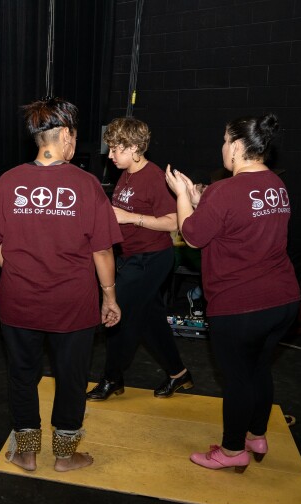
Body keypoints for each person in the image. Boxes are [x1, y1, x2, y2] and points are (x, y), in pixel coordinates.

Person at [0, 97, 122, 472]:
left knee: (22, 376)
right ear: (67, 136)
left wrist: (18, 267)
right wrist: (110, 297)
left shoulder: (9, 181)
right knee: (71, 380)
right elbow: (102, 252)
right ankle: (64, 455)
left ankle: (26, 453)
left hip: (19, 301)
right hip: (72, 305)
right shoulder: (87, 185)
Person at [165, 113, 299, 472]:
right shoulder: (276, 185)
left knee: (238, 377)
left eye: (225, 141)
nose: (223, 148)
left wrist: (182, 196)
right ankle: (256, 434)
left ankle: (231, 450)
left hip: (241, 305)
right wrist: (199, 201)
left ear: (238, 147)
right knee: (259, 369)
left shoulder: (225, 190)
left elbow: (192, 236)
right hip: (283, 300)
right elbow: (235, 227)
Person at [86, 117, 194, 401]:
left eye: (115, 150)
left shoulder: (154, 177)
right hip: (132, 256)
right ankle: (179, 374)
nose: (110, 155)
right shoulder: (126, 173)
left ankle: (112, 378)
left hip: (153, 258)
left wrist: (130, 218)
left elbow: (174, 223)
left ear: (134, 147)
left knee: (118, 313)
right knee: (151, 320)